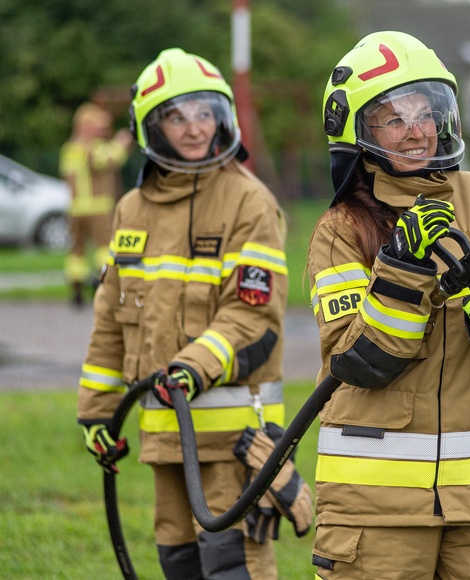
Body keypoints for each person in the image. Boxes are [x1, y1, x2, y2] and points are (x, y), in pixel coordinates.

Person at [307, 31, 470, 579]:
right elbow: (357, 361)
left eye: (426, 113)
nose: (416, 131)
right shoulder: (341, 229)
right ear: (357, 130)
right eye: (393, 118)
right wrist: (403, 269)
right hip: (375, 512)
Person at [76, 48, 311, 580]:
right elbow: (111, 320)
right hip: (166, 440)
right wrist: (96, 412)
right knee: (177, 562)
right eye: (176, 116)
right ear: (151, 126)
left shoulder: (249, 202)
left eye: (204, 113)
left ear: (222, 117)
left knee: (233, 568)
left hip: (234, 443)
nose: (193, 128)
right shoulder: (130, 210)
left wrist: (193, 367)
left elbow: (255, 319)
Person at [60, 102, 134, 307]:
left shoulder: (69, 148)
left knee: (76, 252)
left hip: (75, 209)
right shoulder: (91, 148)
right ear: (85, 126)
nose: (101, 130)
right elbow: (108, 161)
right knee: (104, 249)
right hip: (98, 208)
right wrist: (121, 143)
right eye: (97, 126)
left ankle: (76, 287)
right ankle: (104, 286)